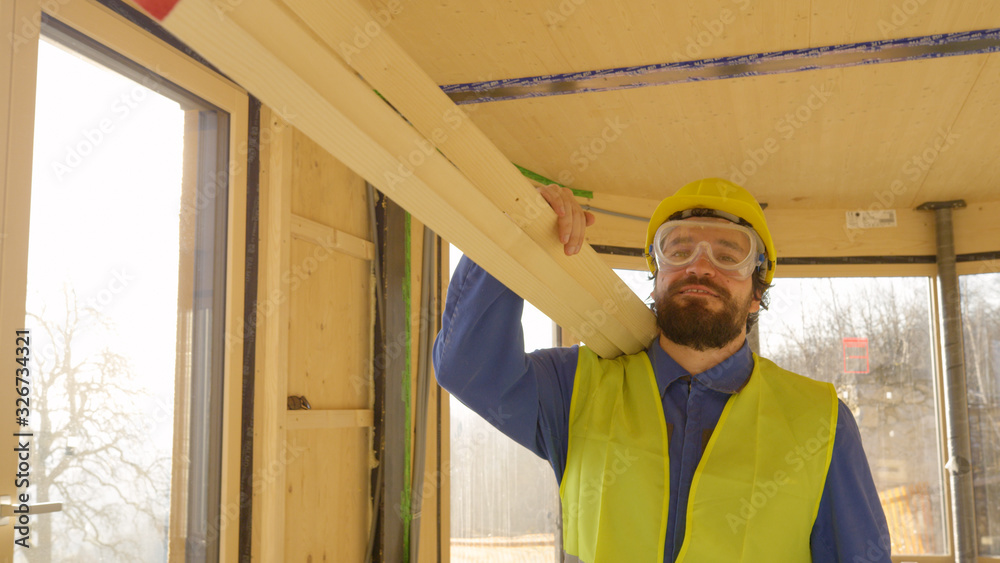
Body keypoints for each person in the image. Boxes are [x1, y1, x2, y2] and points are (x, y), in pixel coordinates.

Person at [433, 178, 891, 562]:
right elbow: (466, 367)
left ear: (757, 291)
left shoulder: (821, 422)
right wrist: (518, 227)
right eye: (679, 249)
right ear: (656, 278)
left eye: (729, 254)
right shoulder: (578, 387)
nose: (700, 266)